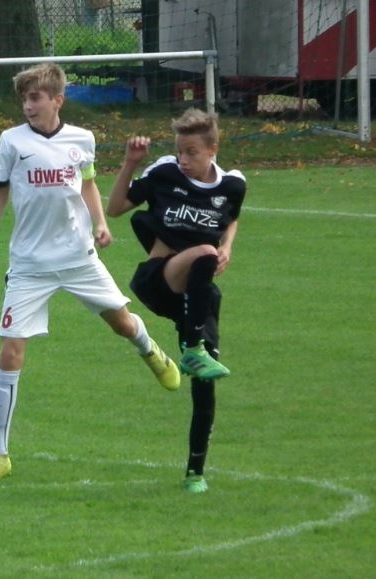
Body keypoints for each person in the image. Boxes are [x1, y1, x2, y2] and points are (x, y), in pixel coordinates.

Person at [0, 63, 181, 484]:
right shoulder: (12, 141)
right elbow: (0, 194)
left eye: (35, 98)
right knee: (10, 351)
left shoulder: (82, 140)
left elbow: (88, 183)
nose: (28, 106)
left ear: (57, 100)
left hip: (79, 258)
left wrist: (100, 222)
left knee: (121, 324)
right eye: (24, 99)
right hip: (29, 266)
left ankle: (149, 349)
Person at [105, 107, 246, 493]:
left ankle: (195, 473)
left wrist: (228, 246)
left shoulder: (233, 185)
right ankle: (192, 348)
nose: (183, 159)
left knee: (206, 380)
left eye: (192, 152)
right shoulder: (165, 173)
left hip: (198, 296)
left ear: (213, 149)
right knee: (204, 253)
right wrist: (130, 163)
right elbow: (115, 209)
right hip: (159, 279)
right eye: (180, 150)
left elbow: (232, 216)